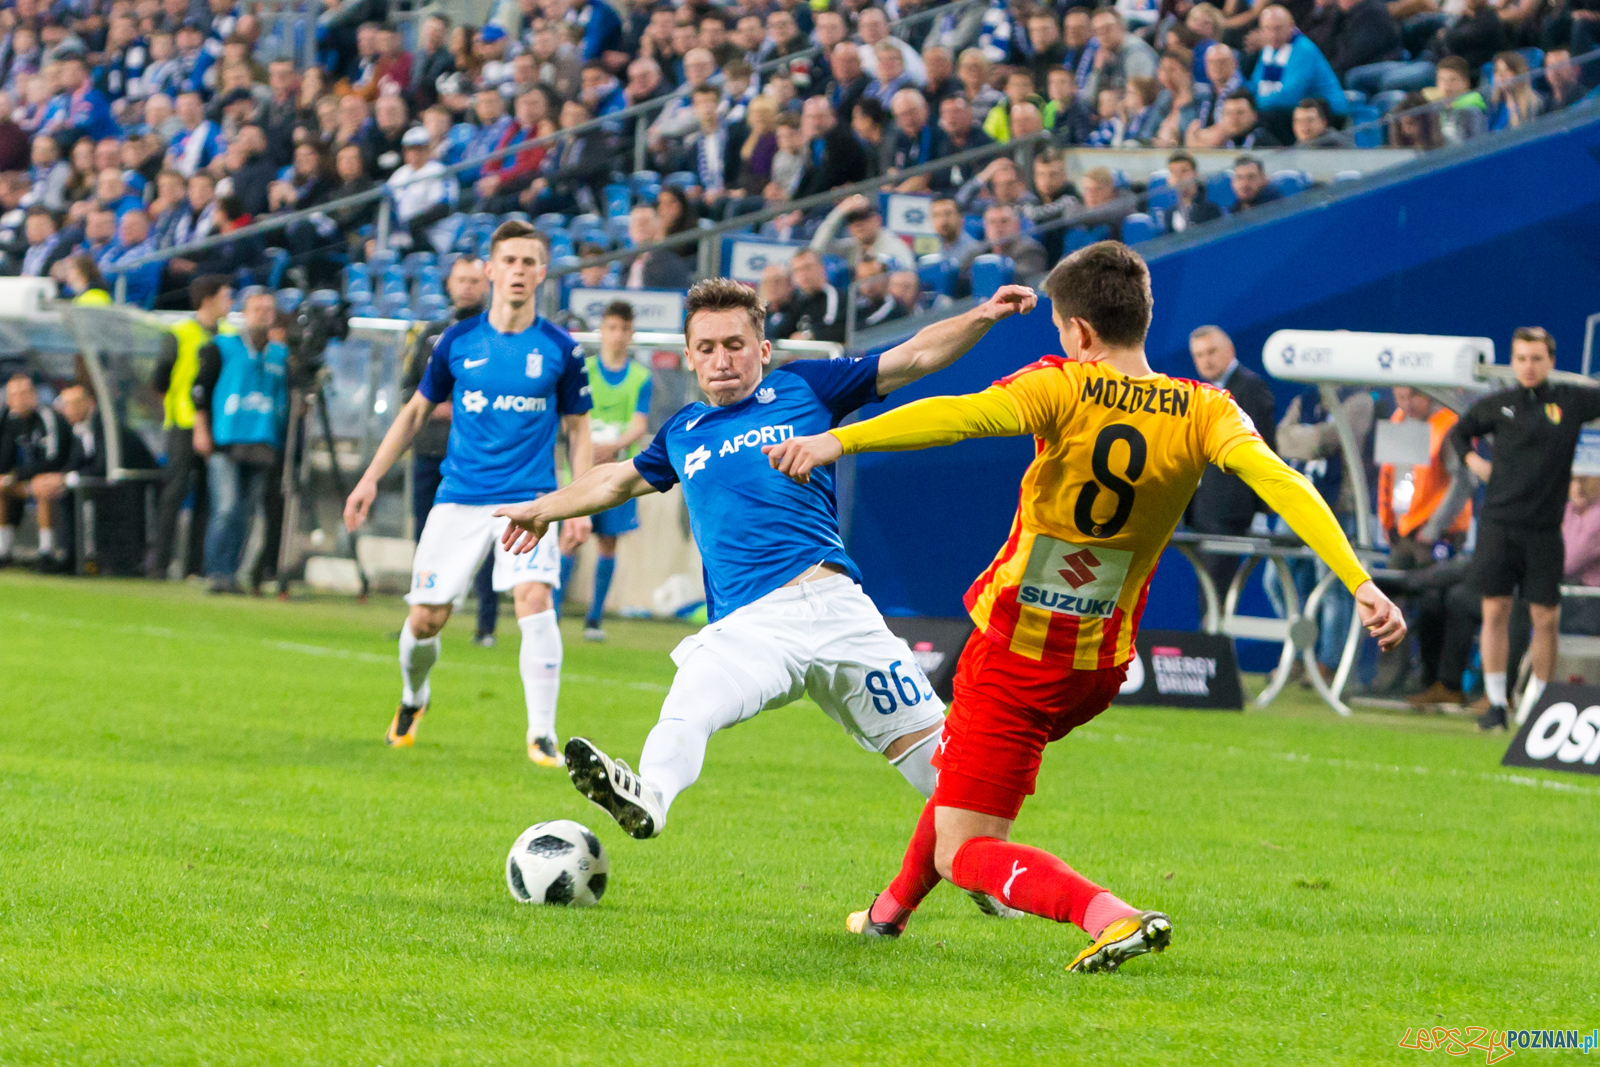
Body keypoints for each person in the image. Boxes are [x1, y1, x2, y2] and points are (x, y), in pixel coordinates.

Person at [763, 241, 1405, 971]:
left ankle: (1110, 914)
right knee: (962, 766)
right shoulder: (1205, 407)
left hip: (1016, 651)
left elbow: (958, 416)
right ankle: (886, 913)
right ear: (1145, 317)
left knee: (968, 847)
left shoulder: (1062, 385)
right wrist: (1359, 580)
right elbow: (1280, 479)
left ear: (1078, 334)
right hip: (1099, 664)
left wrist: (836, 439)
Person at [494, 277, 1038, 875]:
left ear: (764, 350)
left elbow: (911, 356)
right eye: (705, 348)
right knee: (688, 707)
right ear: (689, 354)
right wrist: (542, 509)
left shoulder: (805, 386)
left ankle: (996, 870)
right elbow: (616, 479)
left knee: (940, 764)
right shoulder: (682, 432)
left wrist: (982, 316)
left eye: (734, 344)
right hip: (751, 629)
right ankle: (648, 796)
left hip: (838, 609)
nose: (721, 361)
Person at [343, 221, 594, 766]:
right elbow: (413, 413)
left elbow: (578, 428)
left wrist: (577, 503)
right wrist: (369, 478)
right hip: (459, 498)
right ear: (491, 270)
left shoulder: (560, 349)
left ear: (543, 271)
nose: (519, 271)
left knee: (535, 601)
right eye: (510, 261)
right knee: (427, 618)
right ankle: (414, 698)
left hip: (531, 502)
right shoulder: (458, 342)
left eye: (530, 262)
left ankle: (543, 735)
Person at [1449, 327, 1600, 731]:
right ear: (1512, 362)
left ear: (1551, 361)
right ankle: (1496, 704)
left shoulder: (1571, 401)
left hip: (1545, 530)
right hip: (1499, 524)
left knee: (1546, 617)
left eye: (1536, 358)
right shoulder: (1498, 405)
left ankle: (1541, 706)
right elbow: (1458, 432)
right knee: (1495, 609)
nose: (1529, 366)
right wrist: (1474, 462)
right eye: (1521, 358)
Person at [399, 255, 498, 646]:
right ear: (449, 285)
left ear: (487, 284)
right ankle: (420, 618)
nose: (468, 287)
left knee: (490, 541)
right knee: (425, 537)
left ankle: (485, 625)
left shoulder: (497, 334)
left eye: (475, 280)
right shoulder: (431, 334)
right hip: (430, 450)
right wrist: (446, 407)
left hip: (478, 457)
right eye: (461, 280)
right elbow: (409, 391)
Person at [1378, 386, 1474, 704]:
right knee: (1386, 603)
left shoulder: (1448, 425)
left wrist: (1434, 528)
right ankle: (1390, 679)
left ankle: (1433, 681)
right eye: (1400, 396)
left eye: (1412, 397)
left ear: (1429, 394)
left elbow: (1464, 482)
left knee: (1435, 605)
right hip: (1403, 533)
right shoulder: (1399, 421)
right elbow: (1391, 475)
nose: (1404, 404)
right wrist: (1388, 521)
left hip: (1435, 536)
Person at [192, 288, 288, 594]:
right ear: (244, 312)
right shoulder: (222, 346)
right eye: (257, 308)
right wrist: (200, 428)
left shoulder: (279, 354)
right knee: (227, 507)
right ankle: (216, 570)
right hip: (226, 438)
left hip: (262, 439)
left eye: (268, 309)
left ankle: (232, 572)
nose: (263, 314)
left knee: (246, 511)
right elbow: (200, 390)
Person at [575, 301, 653, 641]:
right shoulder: (585, 370)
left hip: (619, 472)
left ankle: (593, 618)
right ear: (601, 331)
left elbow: (640, 424)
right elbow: (572, 417)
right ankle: (553, 611)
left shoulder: (641, 377)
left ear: (631, 333)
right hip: (580, 469)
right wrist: (586, 446)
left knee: (608, 544)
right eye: (611, 327)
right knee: (570, 537)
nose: (617, 335)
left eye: (623, 328)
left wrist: (614, 445)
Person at [147, 275, 231, 579]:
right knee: (175, 491)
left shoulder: (230, 335)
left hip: (219, 426)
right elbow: (160, 378)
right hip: (184, 421)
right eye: (225, 295)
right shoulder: (180, 332)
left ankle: (195, 566)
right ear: (208, 299)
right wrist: (170, 408)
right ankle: (159, 563)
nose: (230, 301)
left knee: (208, 497)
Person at [1185, 324, 1277, 599]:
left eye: (1212, 351)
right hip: (1204, 512)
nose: (1207, 360)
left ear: (1230, 351)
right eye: (1199, 355)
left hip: (1231, 512)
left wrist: (1262, 510)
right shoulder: (1200, 391)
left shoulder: (1249, 388)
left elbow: (1265, 450)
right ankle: (1212, 639)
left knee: (1216, 594)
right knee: (1208, 593)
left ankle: (1214, 641)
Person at [0, 373, 73, 568]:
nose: (21, 398)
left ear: (35, 395)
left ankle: (46, 552)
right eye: (15, 394)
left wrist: (15, 476)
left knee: (42, 486)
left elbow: (53, 459)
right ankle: (3, 550)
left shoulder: (47, 417)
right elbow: (4, 460)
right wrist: (7, 477)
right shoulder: (7, 421)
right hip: (20, 481)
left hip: (54, 478)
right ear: (8, 399)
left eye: (26, 392)